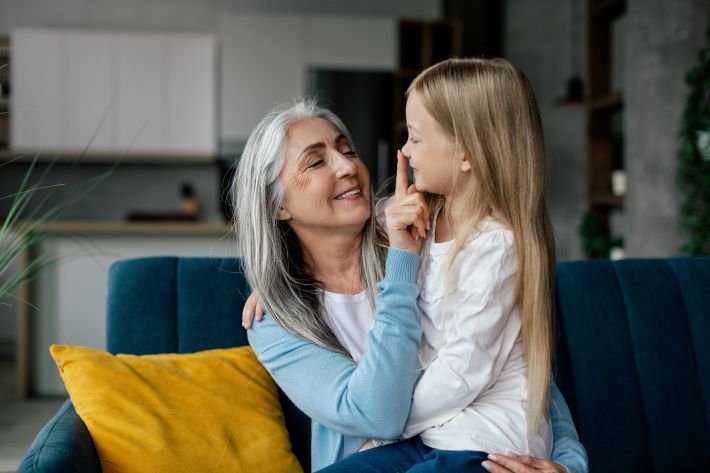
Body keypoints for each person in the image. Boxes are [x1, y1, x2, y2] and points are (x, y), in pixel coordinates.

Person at [235, 97, 587, 472]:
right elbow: (374, 415)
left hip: (476, 450)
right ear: (278, 207)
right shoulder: (274, 323)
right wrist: (280, 288)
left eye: (348, 149)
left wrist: (568, 464)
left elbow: (517, 363)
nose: (348, 166)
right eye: (317, 161)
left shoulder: (425, 232)